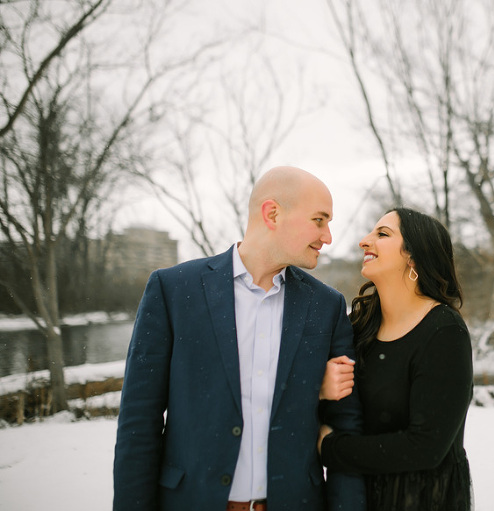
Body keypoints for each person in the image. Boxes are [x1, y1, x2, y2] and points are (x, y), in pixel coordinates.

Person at [113, 166, 366, 511]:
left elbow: (345, 426)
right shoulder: (173, 290)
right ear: (272, 214)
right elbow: (138, 422)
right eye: (319, 220)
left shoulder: (327, 306)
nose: (328, 236)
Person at [318, 207, 474, 511]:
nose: (364, 241)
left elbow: (426, 447)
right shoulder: (360, 325)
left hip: (423, 500)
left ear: (413, 256)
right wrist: (321, 390)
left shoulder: (444, 331)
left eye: (382, 234)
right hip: (359, 497)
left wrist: (330, 448)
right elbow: (341, 410)